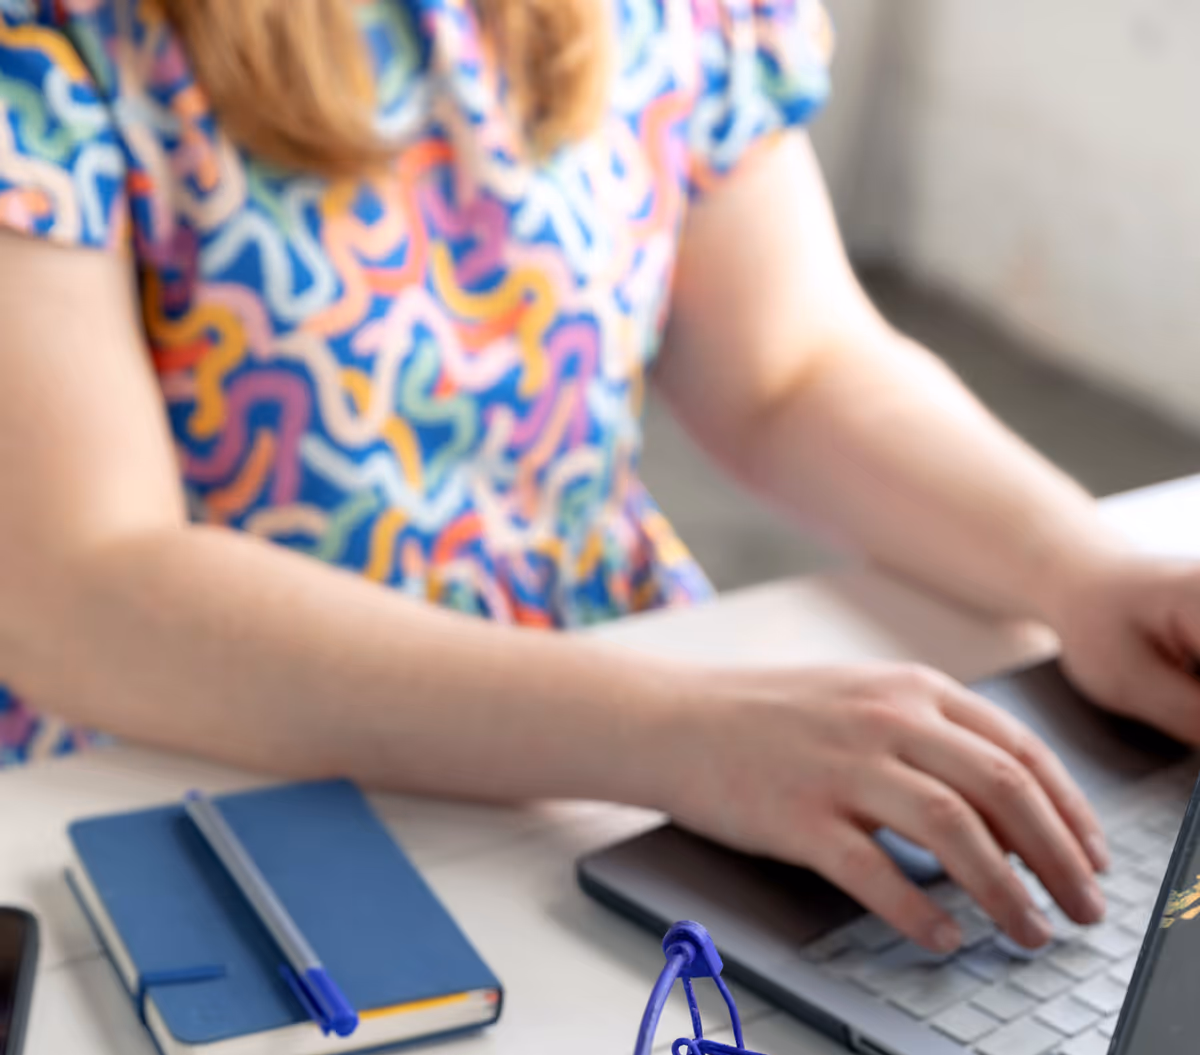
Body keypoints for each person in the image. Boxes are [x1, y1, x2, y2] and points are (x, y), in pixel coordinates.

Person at [1, 1, 1198, 961]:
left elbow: (791, 366)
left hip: (614, 741)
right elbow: (82, 587)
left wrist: (1077, 567)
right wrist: (687, 735)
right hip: (199, 766)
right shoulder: (52, 44)